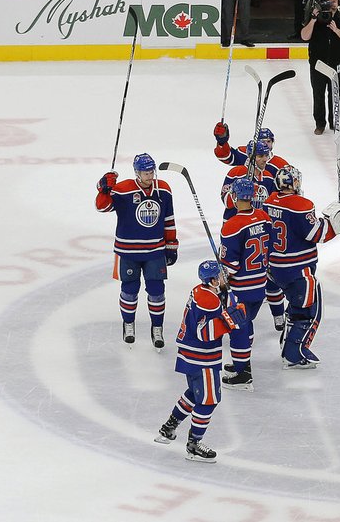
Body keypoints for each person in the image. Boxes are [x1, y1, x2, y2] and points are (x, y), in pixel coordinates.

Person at [264, 165, 340, 368]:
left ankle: (287, 342)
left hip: (275, 266)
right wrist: (335, 221)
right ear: (296, 183)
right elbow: (317, 234)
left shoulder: (269, 201)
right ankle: (293, 354)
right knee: (309, 311)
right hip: (297, 269)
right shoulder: (300, 204)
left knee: (295, 307)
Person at [154, 259, 246, 462]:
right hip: (201, 356)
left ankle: (168, 428)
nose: (225, 278)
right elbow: (205, 333)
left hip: (190, 354)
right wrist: (231, 321)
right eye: (221, 276)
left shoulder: (201, 291)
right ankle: (194, 444)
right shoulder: (209, 300)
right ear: (213, 281)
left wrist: (228, 310)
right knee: (209, 400)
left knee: (195, 395)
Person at [95, 153, 178, 348]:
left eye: (151, 171)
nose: (149, 176)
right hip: (127, 251)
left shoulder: (163, 190)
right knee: (130, 290)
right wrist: (104, 188)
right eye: (145, 172)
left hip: (155, 250)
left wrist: (171, 244)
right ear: (137, 172)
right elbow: (102, 207)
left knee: (157, 291)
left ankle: (157, 328)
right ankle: (128, 323)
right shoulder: (123, 189)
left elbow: (169, 219)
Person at [218, 176, 273, 391]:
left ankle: (243, 375)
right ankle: (243, 362)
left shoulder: (232, 226)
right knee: (246, 322)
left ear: (234, 197)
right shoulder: (263, 217)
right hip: (260, 285)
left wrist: (221, 277)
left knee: (237, 328)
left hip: (240, 288)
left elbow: (230, 265)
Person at [302, 0, 340, 134]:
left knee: (335, 94)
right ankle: (320, 124)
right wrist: (313, 19)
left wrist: (336, 30)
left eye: (335, 1)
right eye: (329, 1)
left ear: (339, 3)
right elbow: (304, 36)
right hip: (318, 64)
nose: (332, 4)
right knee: (318, 94)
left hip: (336, 63)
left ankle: (335, 122)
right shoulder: (315, 18)